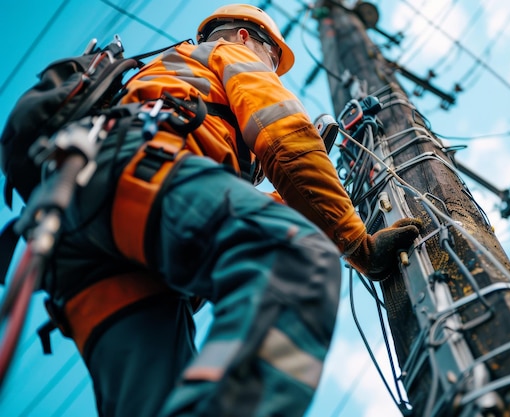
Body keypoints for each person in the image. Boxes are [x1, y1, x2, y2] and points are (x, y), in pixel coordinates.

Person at [40, 4, 421, 417]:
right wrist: (355, 243)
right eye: (272, 59)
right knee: (296, 257)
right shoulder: (230, 55)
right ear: (243, 37)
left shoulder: (173, 78)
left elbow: (213, 210)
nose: (272, 72)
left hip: (77, 240)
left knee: (153, 404)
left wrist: (291, 203)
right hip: (137, 175)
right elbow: (287, 141)